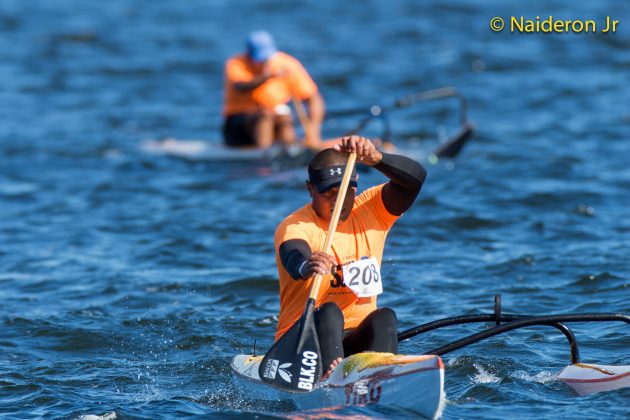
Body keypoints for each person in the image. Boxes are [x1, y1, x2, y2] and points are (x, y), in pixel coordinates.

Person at [273, 135, 427, 378]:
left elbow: (415, 179)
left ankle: (381, 375)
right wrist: (306, 265)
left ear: (355, 183)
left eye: (346, 191)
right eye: (328, 193)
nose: (338, 201)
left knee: (385, 317)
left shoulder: (372, 209)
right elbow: (293, 253)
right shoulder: (297, 225)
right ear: (310, 189)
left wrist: (378, 159)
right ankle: (333, 377)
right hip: (305, 343)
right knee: (330, 311)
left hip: (355, 340)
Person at [222, 30, 325, 149]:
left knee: (284, 116)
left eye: (266, 58)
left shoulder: (287, 64)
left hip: (275, 121)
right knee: (265, 115)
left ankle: (289, 149)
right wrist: (268, 77)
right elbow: (241, 86)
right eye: (259, 59)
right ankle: (263, 156)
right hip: (238, 125)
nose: (263, 63)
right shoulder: (236, 63)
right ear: (248, 54)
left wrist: (314, 131)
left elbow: (313, 99)